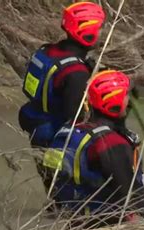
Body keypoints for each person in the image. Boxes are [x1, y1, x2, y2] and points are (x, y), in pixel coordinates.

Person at [42, 70, 144, 228]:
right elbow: (134, 197)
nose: (128, 101)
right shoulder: (111, 143)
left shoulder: (69, 133)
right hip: (108, 229)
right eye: (125, 96)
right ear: (114, 102)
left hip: (75, 225)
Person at [18, 2, 105, 192]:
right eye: (98, 29)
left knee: (52, 187)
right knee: (66, 192)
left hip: (35, 122)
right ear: (86, 31)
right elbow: (76, 117)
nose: (100, 34)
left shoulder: (46, 51)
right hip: (56, 134)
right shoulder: (76, 71)